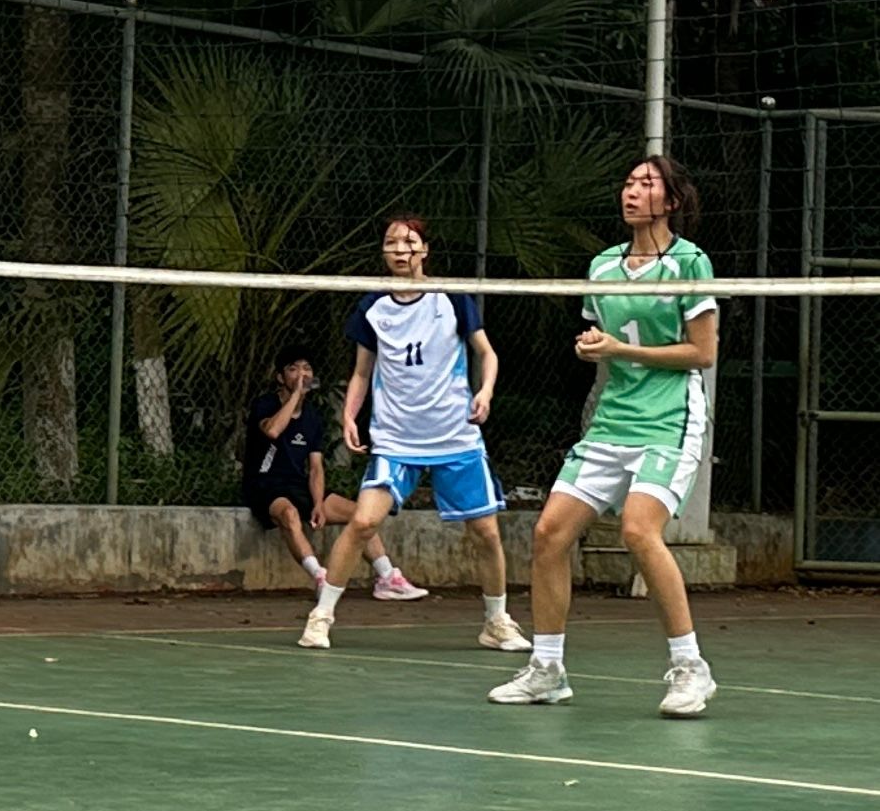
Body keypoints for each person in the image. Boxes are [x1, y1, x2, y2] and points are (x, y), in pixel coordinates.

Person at [490, 157, 720, 717]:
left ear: (670, 202)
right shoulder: (603, 265)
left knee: (638, 530)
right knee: (549, 534)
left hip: (669, 420)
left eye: (647, 184)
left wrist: (621, 349)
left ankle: (691, 668)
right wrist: (594, 346)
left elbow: (703, 352)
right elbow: (603, 336)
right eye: (629, 183)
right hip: (613, 419)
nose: (632, 192)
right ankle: (547, 670)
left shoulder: (690, 262)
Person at [298, 217, 530, 653]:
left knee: (486, 532)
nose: (400, 249)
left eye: (409, 242)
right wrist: (349, 415)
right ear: (384, 252)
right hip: (395, 439)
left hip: (455, 437)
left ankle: (497, 621)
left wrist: (485, 391)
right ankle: (321, 616)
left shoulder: (452, 298)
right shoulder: (372, 307)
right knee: (363, 521)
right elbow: (362, 372)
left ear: (424, 250)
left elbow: (487, 353)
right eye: (391, 242)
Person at [244, 343, 425, 599]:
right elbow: (273, 430)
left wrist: (318, 504)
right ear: (280, 377)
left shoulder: (313, 417)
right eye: (293, 369)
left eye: (307, 368)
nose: (302, 374)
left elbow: (316, 468)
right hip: (264, 485)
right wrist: (295, 396)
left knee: (361, 515)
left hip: (297, 484)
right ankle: (320, 577)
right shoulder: (265, 404)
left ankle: (388, 578)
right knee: (289, 514)